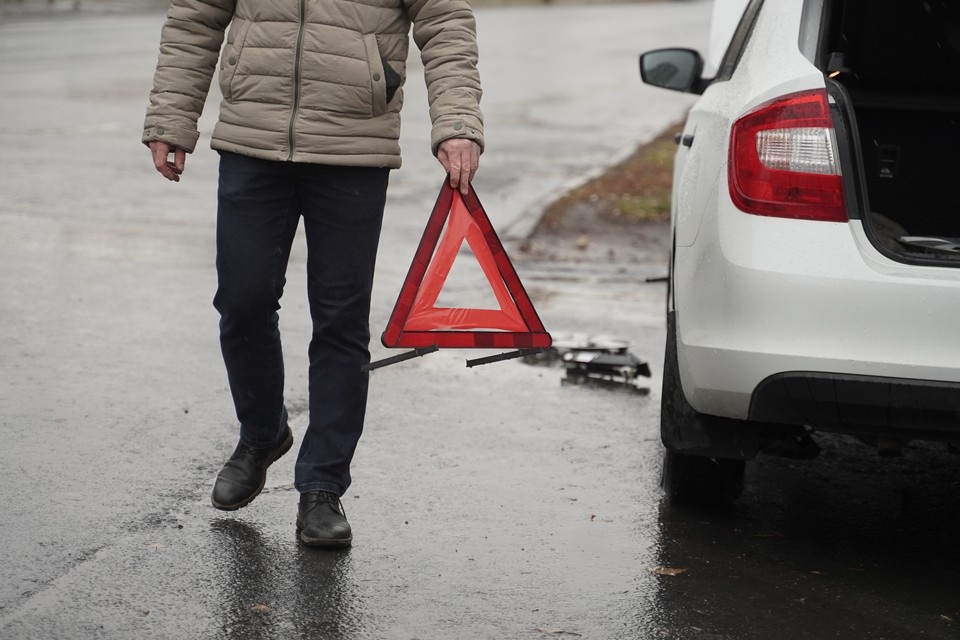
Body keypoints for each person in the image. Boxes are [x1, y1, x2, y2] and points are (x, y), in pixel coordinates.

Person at [143, 0, 483, 549]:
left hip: (354, 145)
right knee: (242, 300)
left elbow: (445, 22)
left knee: (340, 321)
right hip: (253, 137)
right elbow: (195, 18)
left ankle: (322, 486)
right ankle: (262, 434)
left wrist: (457, 123)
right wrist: (171, 118)